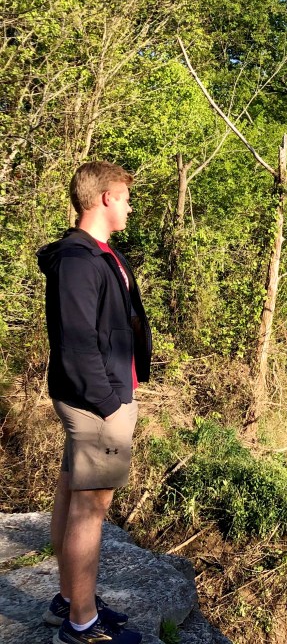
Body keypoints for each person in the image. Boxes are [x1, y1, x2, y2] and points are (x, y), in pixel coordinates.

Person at [36, 161, 152, 644]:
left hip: (99, 396)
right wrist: (109, 402)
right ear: (105, 197)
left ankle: (70, 600)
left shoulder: (103, 254)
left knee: (72, 492)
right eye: (125, 198)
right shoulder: (78, 260)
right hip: (96, 403)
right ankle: (82, 625)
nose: (129, 207)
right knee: (90, 508)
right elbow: (77, 341)